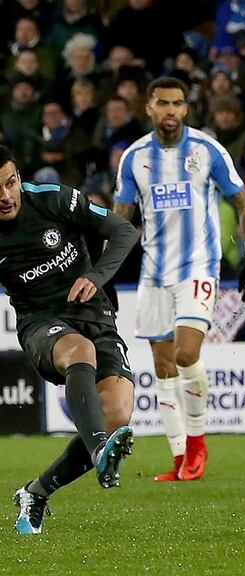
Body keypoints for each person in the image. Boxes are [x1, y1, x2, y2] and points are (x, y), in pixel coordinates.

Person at [113, 77, 245, 483]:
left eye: (177, 104)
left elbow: (243, 203)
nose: (171, 111)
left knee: (185, 353)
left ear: (186, 107)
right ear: (148, 107)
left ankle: (198, 443)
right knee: (162, 367)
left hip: (199, 265)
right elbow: (121, 218)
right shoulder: (134, 158)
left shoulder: (207, 149)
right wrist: (102, 268)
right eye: (163, 103)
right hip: (154, 271)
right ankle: (181, 457)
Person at [0, 145, 137, 534]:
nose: (6, 196)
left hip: (95, 313)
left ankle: (36, 493)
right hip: (41, 324)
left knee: (117, 415)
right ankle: (99, 452)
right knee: (81, 350)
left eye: (10, 183)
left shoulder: (53, 199)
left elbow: (124, 231)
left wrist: (96, 277)